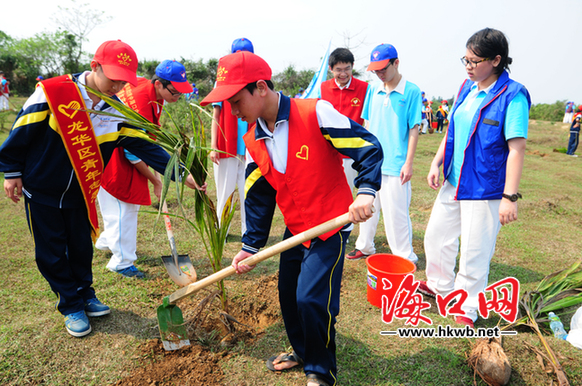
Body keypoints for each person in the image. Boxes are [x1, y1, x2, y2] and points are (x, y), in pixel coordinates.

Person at [200, 51, 382, 386]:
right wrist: (250, 246)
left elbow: (367, 147)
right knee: (288, 295)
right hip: (296, 229)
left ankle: (320, 371)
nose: (233, 111)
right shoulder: (253, 139)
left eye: (236, 101)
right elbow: (259, 195)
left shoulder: (315, 113)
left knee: (312, 299)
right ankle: (302, 351)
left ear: (260, 88)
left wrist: (366, 191)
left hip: (330, 226)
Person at [0, 40, 200, 338]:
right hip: (42, 189)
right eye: (113, 78)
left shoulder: (116, 111)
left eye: (123, 81)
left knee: (81, 246)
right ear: (94, 66)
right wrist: (12, 172)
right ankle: (70, 305)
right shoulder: (54, 93)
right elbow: (22, 129)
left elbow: (144, 145)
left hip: (82, 191)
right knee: (52, 251)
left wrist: (180, 173)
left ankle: (86, 293)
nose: (117, 86)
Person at [419, 28, 531, 328]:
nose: (468, 66)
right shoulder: (467, 88)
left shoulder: (513, 96)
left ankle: (468, 305)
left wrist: (509, 197)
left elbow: (517, 149)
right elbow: (453, 129)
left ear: (496, 60)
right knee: (436, 237)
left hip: (485, 187)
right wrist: (436, 162)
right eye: (465, 60)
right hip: (455, 181)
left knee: (474, 249)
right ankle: (440, 286)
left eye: (474, 60)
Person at [95, 60, 194, 278]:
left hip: (114, 152)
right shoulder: (140, 104)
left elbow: (148, 142)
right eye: (175, 91)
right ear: (158, 84)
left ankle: (106, 242)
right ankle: (121, 262)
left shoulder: (147, 89)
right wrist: (157, 180)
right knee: (125, 210)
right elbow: (133, 152)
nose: (178, 96)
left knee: (115, 209)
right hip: (117, 160)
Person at [348, 43, 421, 264]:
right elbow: (368, 124)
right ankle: (365, 245)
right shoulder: (374, 90)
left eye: (383, 69)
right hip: (373, 164)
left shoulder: (411, 91)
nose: (380, 74)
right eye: (376, 70)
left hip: (396, 164)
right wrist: (363, 157)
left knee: (396, 214)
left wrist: (408, 163)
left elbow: (414, 128)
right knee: (367, 206)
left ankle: (404, 255)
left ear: (396, 63)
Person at [209, 37, 254, 235]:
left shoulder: (255, 81)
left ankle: (248, 231)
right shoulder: (222, 79)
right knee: (225, 191)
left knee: (249, 192)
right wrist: (213, 145)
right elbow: (215, 114)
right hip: (226, 143)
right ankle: (222, 231)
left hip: (249, 146)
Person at [318, 47, 369, 192]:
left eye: (347, 69)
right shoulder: (322, 88)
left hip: (351, 152)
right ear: (330, 69)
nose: (343, 74)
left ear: (352, 66)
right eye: (338, 70)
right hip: (327, 152)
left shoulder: (364, 89)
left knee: (346, 191)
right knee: (327, 191)